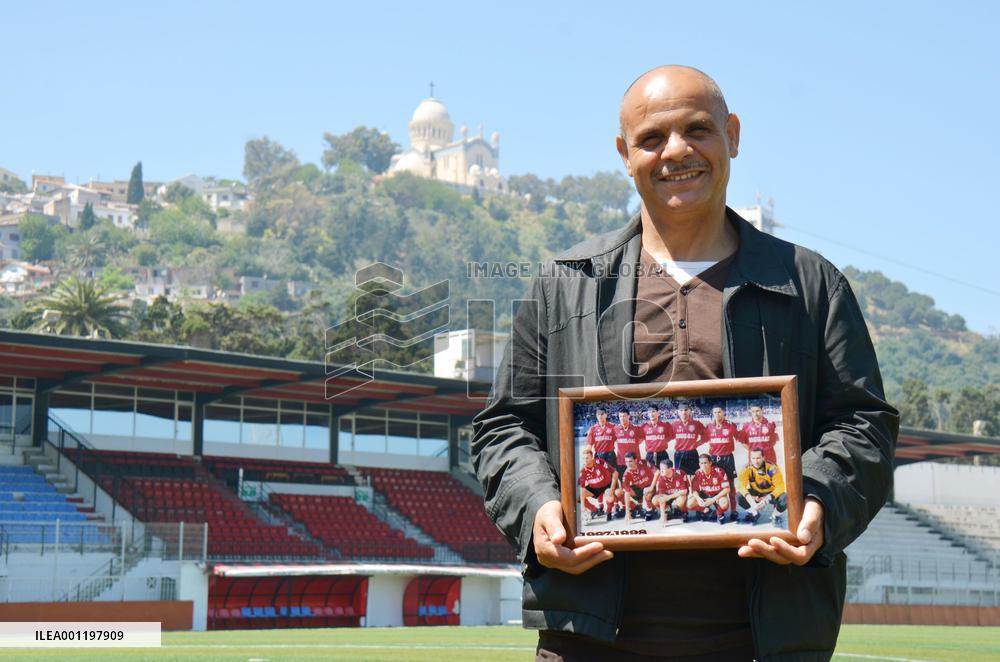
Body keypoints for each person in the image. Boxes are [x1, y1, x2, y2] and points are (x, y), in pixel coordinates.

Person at [472, 64, 898, 660]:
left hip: (768, 636)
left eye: (697, 129)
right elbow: (503, 427)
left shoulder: (810, 285)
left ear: (734, 135)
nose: (676, 152)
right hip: (589, 636)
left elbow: (865, 426)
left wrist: (818, 501)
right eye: (651, 139)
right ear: (625, 154)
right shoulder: (565, 284)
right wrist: (539, 506)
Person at [737, 448, 788, 528]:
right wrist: (751, 501)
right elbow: (741, 486)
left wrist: (766, 500)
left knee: (785, 498)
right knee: (739, 496)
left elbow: (780, 486)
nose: (756, 461)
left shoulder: (772, 468)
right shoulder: (747, 469)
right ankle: (754, 513)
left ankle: (775, 515)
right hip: (756, 492)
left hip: (769, 493)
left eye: (758, 458)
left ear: (763, 458)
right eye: (753, 458)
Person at [705, 404, 740, 520]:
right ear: (712, 414)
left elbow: (740, 438)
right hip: (714, 459)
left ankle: (734, 510)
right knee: (716, 485)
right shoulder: (709, 427)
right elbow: (703, 439)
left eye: (719, 412)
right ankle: (719, 510)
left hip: (728, 458)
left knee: (731, 485)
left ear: (724, 412)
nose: (717, 415)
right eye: (715, 412)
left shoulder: (731, 426)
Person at [577, 445, 617, 524]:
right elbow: (581, 488)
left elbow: (615, 473)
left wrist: (612, 489)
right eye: (584, 458)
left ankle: (609, 512)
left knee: (611, 497)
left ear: (592, 457)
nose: (585, 460)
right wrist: (583, 507)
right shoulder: (582, 471)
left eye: (587, 458)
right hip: (595, 487)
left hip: (606, 485)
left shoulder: (600, 462)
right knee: (579, 497)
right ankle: (594, 510)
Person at [687, 454, 731, 524]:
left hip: (717, 495)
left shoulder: (719, 471)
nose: (703, 465)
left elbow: (727, 489)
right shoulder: (698, 473)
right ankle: (706, 510)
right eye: (701, 463)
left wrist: (713, 499)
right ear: (699, 464)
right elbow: (694, 490)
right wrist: (698, 499)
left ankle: (719, 513)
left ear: (710, 463)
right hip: (705, 495)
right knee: (689, 504)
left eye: (705, 463)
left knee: (724, 504)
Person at [617, 452, 655, 522]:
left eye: (630, 461)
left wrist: (652, 487)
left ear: (636, 460)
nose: (628, 464)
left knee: (648, 494)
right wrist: (627, 512)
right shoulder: (626, 473)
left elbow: (657, 472)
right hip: (639, 490)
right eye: (626, 462)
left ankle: (651, 509)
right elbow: (627, 493)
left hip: (650, 487)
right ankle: (635, 506)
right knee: (619, 492)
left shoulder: (643, 463)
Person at [669, 402, 705, 476]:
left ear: (689, 411)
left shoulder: (696, 424)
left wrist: (697, 443)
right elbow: (667, 437)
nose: (684, 412)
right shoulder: (674, 425)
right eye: (681, 410)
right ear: (678, 412)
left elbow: (706, 436)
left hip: (692, 453)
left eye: (686, 410)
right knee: (680, 477)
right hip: (679, 454)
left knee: (695, 476)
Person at [650, 458, 689, 524]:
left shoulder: (680, 473)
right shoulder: (661, 477)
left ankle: (682, 511)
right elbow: (661, 496)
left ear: (670, 468)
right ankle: (667, 510)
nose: (661, 471)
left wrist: (669, 497)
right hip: (667, 495)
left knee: (681, 501)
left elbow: (684, 491)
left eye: (663, 469)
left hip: (678, 494)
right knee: (655, 500)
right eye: (660, 468)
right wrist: (662, 516)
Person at [640, 404, 673, 468]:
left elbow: (671, 436)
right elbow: (640, 440)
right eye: (649, 412)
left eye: (653, 411)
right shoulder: (644, 427)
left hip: (663, 454)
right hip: (650, 455)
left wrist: (662, 442)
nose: (651, 414)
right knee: (650, 475)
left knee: (664, 475)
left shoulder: (665, 425)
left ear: (658, 413)